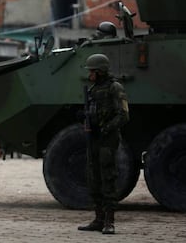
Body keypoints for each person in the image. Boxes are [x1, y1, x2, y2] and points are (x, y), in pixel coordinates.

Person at [78, 53, 129, 235]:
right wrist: (84, 119)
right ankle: (98, 219)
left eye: (91, 71)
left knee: (108, 177)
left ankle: (109, 221)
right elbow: (92, 113)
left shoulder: (114, 88)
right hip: (93, 138)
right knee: (93, 178)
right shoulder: (92, 90)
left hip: (107, 139)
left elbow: (123, 115)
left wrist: (106, 128)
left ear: (99, 71)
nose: (89, 74)